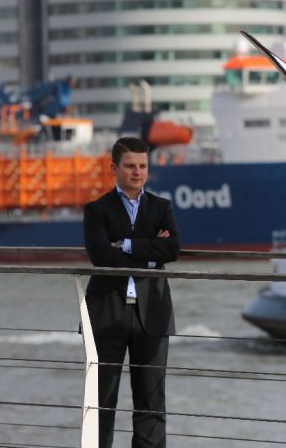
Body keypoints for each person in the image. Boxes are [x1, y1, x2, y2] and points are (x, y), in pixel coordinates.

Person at [82, 136, 180, 448]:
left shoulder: (162, 207)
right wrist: (151, 253)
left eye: (143, 166)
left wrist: (125, 245)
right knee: (101, 402)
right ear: (114, 168)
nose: (138, 172)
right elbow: (100, 256)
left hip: (152, 314)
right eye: (130, 166)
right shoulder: (96, 210)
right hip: (106, 313)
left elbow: (172, 249)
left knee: (152, 403)